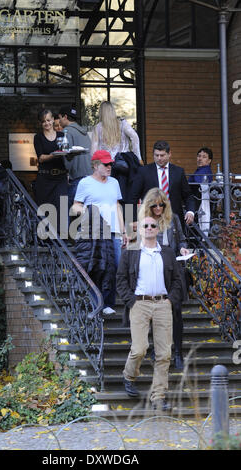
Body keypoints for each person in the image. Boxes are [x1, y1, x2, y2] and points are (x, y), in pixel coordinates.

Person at [116, 216, 182, 411]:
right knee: (140, 348)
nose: (150, 228)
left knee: (164, 353)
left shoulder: (168, 253)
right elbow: (120, 279)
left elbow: (178, 281)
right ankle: (129, 376)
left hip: (163, 304)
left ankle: (158, 396)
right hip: (140, 304)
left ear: (158, 229)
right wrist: (131, 300)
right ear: (140, 229)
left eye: (153, 225)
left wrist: (170, 300)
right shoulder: (131, 252)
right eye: (145, 225)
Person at [138, 188, 190, 369]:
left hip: (173, 268)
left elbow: (182, 239)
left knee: (176, 312)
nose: (158, 208)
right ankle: (157, 349)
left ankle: (178, 353)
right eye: (155, 205)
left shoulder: (173, 219)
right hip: (153, 269)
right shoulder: (145, 222)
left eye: (162, 205)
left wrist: (183, 248)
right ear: (149, 206)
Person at [71, 150, 128, 315]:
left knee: (115, 267)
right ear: (95, 165)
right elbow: (76, 205)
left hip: (114, 231)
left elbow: (117, 206)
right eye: (106, 164)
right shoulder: (85, 183)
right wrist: (88, 213)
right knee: (96, 267)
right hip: (93, 232)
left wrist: (123, 231)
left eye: (110, 164)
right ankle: (97, 303)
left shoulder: (114, 182)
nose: (109, 167)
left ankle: (108, 303)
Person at [130, 140, 195, 230]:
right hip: (150, 219)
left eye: (162, 155)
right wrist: (132, 219)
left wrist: (190, 211)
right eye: (156, 155)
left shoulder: (178, 172)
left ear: (169, 154)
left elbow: (188, 195)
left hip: (173, 219)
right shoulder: (143, 172)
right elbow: (133, 196)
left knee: (173, 244)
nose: (159, 158)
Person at [33, 109, 68, 235]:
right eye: (43, 122)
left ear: (53, 119)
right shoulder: (38, 137)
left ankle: (61, 237)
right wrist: (54, 155)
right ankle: (44, 237)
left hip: (61, 177)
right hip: (45, 178)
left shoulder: (62, 135)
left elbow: (66, 153)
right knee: (45, 207)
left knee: (62, 206)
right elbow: (41, 157)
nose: (46, 123)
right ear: (40, 123)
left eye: (48, 120)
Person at [58, 105, 92, 210]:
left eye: (59, 118)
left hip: (77, 177)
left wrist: (67, 172)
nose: (59, 121)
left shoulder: (67, 132)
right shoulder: (84, 133)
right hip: (90, 175)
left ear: (65, 117)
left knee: (69, 210)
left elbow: (66, 155)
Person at [188, 147, 213, 236]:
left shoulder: (205, 170)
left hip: (198, 202)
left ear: (209, 160)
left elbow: (198, 182)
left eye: (204, 157)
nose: (200, 159)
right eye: (199, 156)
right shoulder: (199, 170)